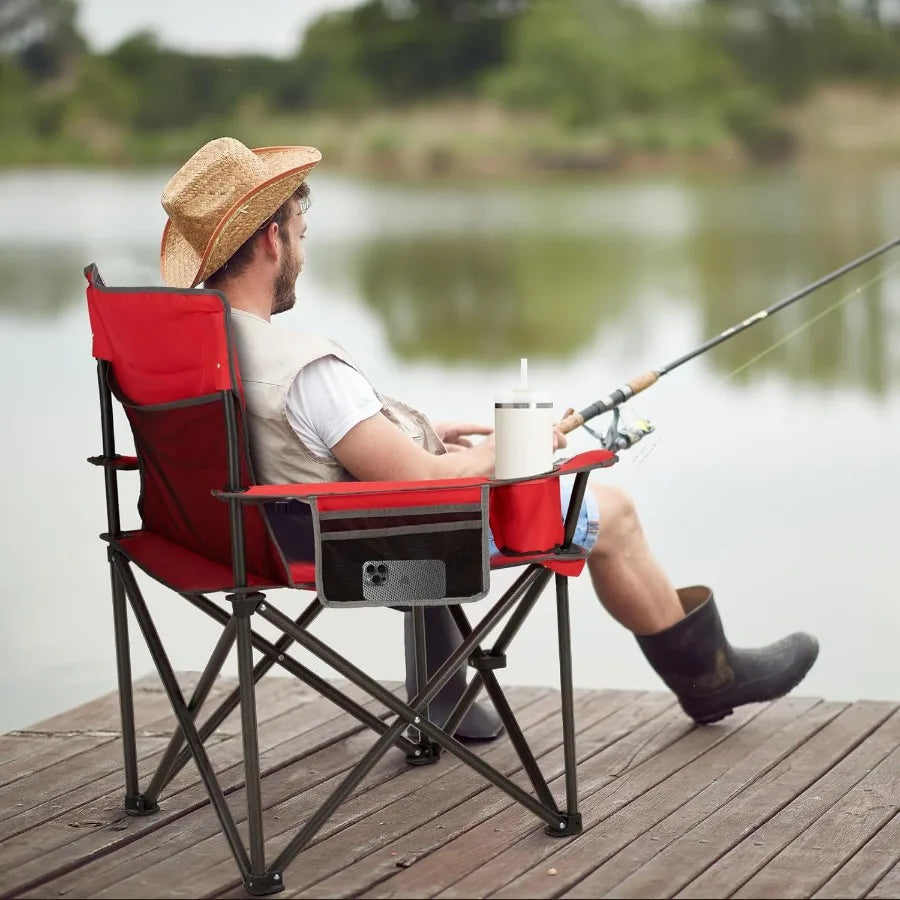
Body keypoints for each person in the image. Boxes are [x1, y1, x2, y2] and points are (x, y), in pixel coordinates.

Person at [158, 137, 819, 738]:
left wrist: (420, 432)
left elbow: (304, 443)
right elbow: (422, 483)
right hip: (367, 552)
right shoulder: (306, 366)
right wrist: (514, 447)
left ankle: (441, 697)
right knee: (612, 514)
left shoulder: (201, 352)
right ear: (272, 240)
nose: (302, 250)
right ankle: (711, 679)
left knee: (464, 462)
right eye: (301, 233)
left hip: (256, 540)